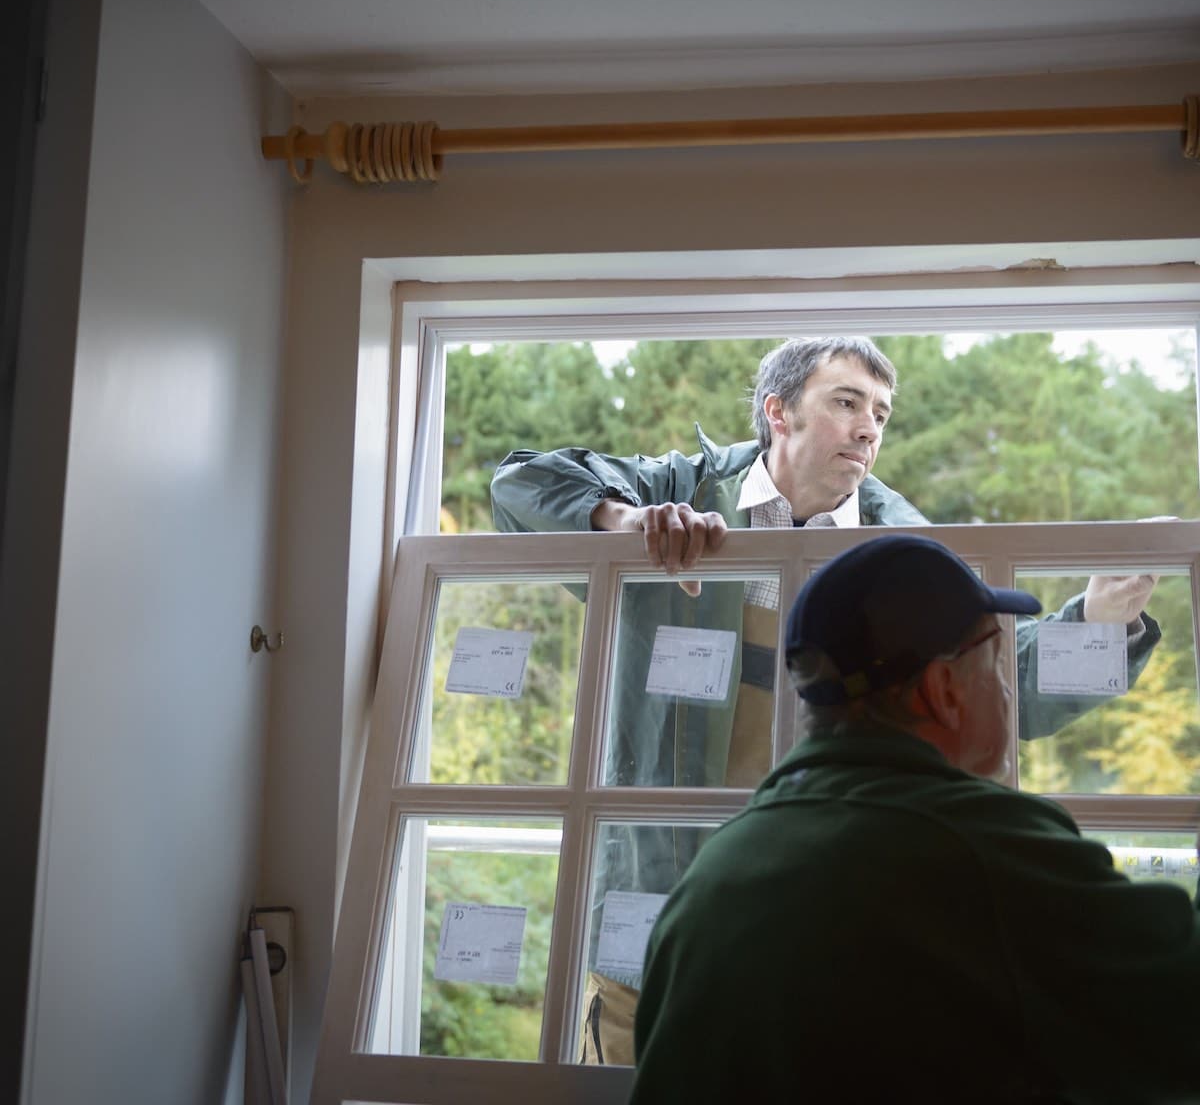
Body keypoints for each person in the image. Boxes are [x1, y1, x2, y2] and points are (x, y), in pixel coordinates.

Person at [489, 336, 1161, 1063]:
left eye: (881, 411)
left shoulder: (904, 544)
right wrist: (622, 526)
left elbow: (1003, 688)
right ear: (778, 412)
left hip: (828, 925)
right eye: (846, 402)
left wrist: (1100, 622)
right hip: (654, 922)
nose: (869, 426)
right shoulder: (679, 494)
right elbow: (517, 485)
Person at [630, 534, 1200, 1104]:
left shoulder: (712, 876)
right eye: (997, 663)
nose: (1007, 687)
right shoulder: (982, 853)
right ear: (944, 690)